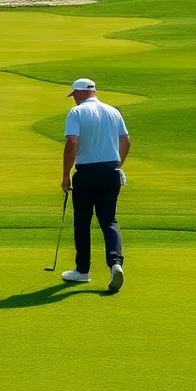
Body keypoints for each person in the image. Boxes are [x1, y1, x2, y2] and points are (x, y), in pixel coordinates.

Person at [61, 79, 131, 292]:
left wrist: (65, 175)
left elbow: (72, 142)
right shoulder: (113, 111)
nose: (73, 99)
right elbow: (126, 141)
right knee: (109, 220)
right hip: (111, 172)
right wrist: (117, 164)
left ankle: (82, 271)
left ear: (79, 93)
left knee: (82, 221)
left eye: (74, 95)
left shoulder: (77, 113)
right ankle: (115, 264)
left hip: (87, 173)